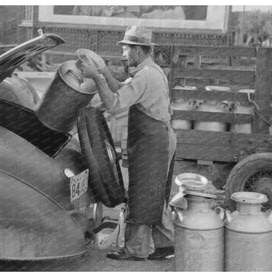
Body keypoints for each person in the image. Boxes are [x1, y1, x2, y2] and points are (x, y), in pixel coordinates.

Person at [80, 25, 177, 260]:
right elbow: (123, 90)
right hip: (157, 138)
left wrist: (95, 77)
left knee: (143, 194)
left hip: (153, 141)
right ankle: (165, 243)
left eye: (126, 49)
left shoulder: (145, 76)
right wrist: (103, 72)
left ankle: (136, 249)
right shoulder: (150, 70)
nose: (124, 54)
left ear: (138, 50)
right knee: (155, 192)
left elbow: (115, 104)